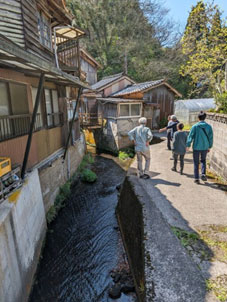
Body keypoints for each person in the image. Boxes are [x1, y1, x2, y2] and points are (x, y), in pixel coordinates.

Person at [186, 111, 213, 184]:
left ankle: (196, 178)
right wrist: (209, 146)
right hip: (205, 147)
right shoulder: (209, 127)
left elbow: (190, 136)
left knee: (196, 162)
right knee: (203, 160)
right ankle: (203, 174)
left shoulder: (195, 126)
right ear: (205, 118)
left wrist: (188, 145)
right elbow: (211, 138)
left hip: (196, 147)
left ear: (198, 118)